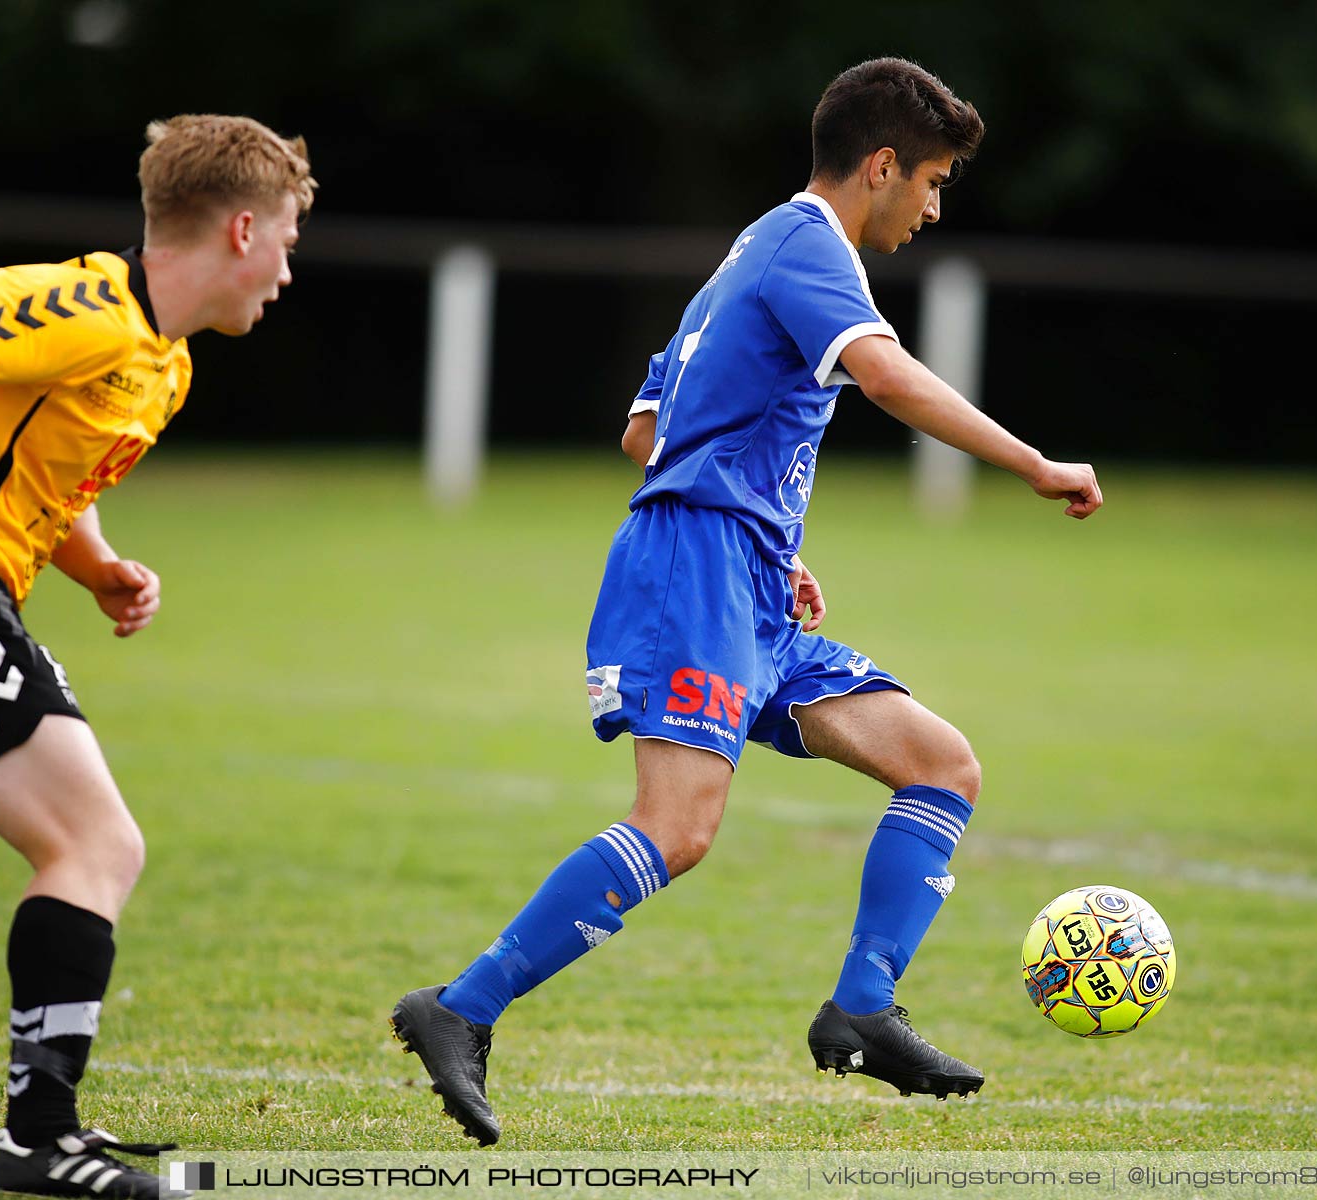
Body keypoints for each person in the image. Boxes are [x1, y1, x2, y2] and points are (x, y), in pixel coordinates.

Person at [392, 57, 1101, 1146]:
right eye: (934, 181)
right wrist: (1032, 463)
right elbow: (890, 378)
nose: (934, 205)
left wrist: (769, 528)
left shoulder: (750, 250)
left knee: (940, 764)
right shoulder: (811, 248)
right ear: (881, 166)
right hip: (700, 572)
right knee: (678, 829)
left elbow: (647, 430)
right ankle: (459, 1007)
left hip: (749, 577)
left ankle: (862, 1010)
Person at [0, 114, 313, 1197]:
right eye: (289, 241)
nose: (289, 270)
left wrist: (98, 563)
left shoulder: (166, 367)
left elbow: (38, 481)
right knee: (96, 845)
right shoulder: (94, 307)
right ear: (242, 229)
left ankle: (43, 1140)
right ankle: (40, 1140)